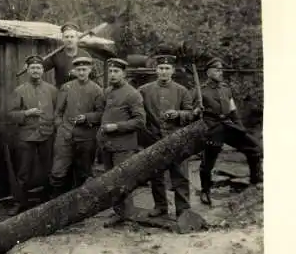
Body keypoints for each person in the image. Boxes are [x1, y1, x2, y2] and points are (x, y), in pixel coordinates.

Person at [138, 54, 202, 219]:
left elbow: (191, 114)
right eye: (161, 68)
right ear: (156, 70)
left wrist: (178, 114)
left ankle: (183, 209)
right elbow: (138, 112)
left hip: (177, 139)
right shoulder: (144, 90)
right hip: (154, 138)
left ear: (173, 70)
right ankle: (160, 206)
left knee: (179, 174)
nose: (164, 72)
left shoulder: (182, 91)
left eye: (167, 68)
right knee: (155, 174)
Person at [196, 57, 263, 206]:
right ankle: (205, 191)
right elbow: (194, 113)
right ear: (208, 72)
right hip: (212, 128)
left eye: (221, 69)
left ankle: (256, 181)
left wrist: (240, 127)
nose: (220, 72)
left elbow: (233, 110)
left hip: (228, 125)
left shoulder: (226, 88)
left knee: (254, 148)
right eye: (216, 70)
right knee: (208, 161)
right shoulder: (200, 91)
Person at [97, 58, 147, 227]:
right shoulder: (107, 92)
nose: (112, 75)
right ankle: (119, 213)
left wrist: (116, 127)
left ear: (124, 74)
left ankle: (128, 215)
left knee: (123, 181)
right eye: (110, 71)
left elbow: (140, 121)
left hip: (124, 146)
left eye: (116, 71)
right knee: (112, 182)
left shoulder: (132, 94)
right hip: (107, 146)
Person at [7, 55, 58, 215]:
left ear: (43, 70)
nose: (36, 71)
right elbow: (10, 114)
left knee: (48, 168)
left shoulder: (51, 90)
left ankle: (48, 199)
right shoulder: (20, 90)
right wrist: (26, 113)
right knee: (23, 171)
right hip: (26, 136)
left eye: (39, 68)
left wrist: (55, 124)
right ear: (27, 70)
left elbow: (58, 111)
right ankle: (19, 202)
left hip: (47, 134)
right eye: (32, 68)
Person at [49, 56, 105, 198]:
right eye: (78, 70)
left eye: (84, 70)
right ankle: (57, 203)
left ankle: (77, 203)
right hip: (65, 135)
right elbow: (58, 112)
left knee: (83, 171)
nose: (81, 73)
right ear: (74, 70)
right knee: (59, 170)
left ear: (90, 70)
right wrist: (60, 128)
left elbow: (100, 114)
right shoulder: (66, 87)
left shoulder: (97, 90)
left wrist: (87, 117)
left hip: (86, 137)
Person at [43, 23, 94, 89]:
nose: (69, 40)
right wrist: (31, 64)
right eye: (66, 37)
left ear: (77, 39)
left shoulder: (85, 56)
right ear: (63, 39)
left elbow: (93, 76)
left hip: (81, 93)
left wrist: (78, 74)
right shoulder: (57, 56)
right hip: (62, 94)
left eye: (72, 37)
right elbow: (41, 68)